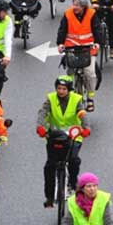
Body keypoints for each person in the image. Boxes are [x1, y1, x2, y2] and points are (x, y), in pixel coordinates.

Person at [36, 75, 91, 208]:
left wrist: (86, 128)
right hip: (54, 136)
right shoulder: (50, 99)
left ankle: (73, 184)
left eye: (64, 89)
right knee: (50, 166)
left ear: (69, 90)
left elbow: (82, 114)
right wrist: (40, 127)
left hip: (73, 136)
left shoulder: (76, 100)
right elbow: (43, 113)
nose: (60, 91)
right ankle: (49, 197)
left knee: (73, 160)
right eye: (59, 88)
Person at [57, 0, 102, 112]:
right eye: (74, 4)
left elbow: (97, 30)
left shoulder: (91, 14)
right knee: (70, 73)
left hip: (88, 50)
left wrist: (97, 43)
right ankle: (70, 95)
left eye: (77, 5)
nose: (75, 7)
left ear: (83, 7)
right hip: (72, 49)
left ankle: (90, 98)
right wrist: (60, 44)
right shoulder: (68, 14)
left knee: (90, 73)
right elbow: (62, 29)